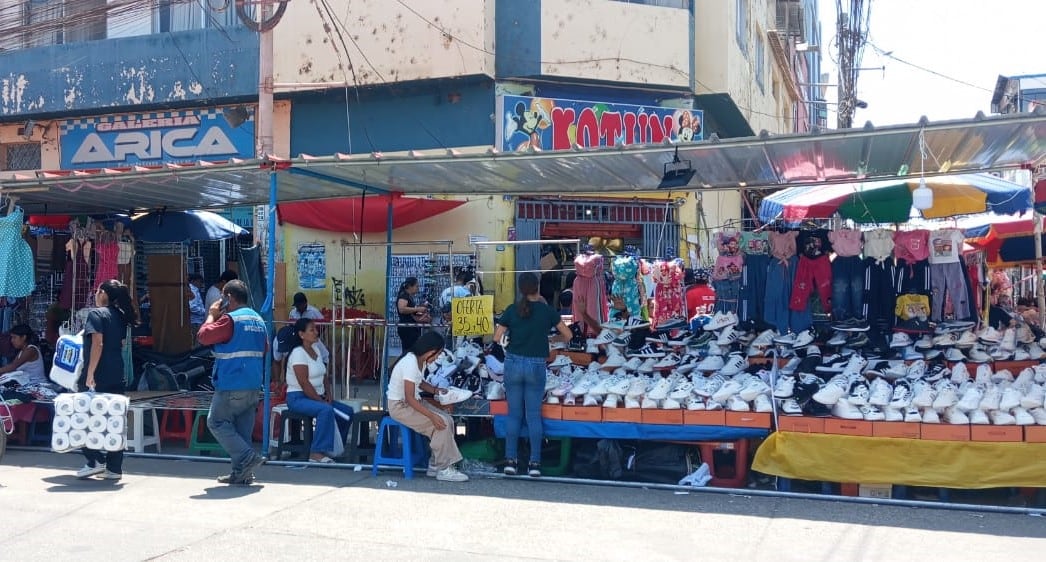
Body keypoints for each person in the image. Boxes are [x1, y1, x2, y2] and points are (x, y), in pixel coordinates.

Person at [494, 272, 572, 477]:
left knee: (514, 415)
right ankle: (535, 464)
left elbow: (496, 336)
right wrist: (549, 338)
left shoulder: (512, 310)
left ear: (520, 289)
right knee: (533, 416)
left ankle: (511, 461)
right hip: (537, 365)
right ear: (537, 287)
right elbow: (568, 334)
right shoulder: (547, 311)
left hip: (513, 364)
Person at [197, 279, 268, 485]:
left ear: (228, 298)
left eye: (222, 297)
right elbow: (264, 349)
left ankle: (247, 457)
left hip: (232, 382)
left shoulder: (230, 319)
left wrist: (211, 314)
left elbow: (203, 336)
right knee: (241, 431)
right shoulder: (258, 319)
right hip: (253, 383)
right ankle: (242, 474)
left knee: (216, 422)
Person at [75, 279, 138, 481]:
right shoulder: (120, 315)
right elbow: (118, 343)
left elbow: (97, 343)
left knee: (82, 417)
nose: (95, 294)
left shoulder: (96, 314)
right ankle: (114, 468)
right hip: (116, 372)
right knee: (114, 420)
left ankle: (94, 460)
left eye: (97, 291)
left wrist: (90, 373)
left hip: (99, 374)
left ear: (102, 293)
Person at [386, 331, 469, 482]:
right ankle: (444, 469)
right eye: (437, 355)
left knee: (448, 420)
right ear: (430, 352)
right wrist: (432, 415)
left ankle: (435, 464)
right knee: (440, 423)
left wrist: (436, 390)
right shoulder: (410, 362)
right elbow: (410, 398)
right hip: (400, 406)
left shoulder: (420, 360)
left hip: (411, 401)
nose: (437, 358)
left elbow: (420, 382)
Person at [284, 317, 354, 463]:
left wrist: (328, 394)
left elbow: (323, 375)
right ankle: (316, 452)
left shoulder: (316, 349)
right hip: (298, 398)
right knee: (325, 410)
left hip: (318, 395)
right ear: (301, 334)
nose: (316, 332)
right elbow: (304, 382)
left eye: (315, 329)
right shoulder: (298, 353)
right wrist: (320, 400)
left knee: (346, 413)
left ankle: (332, 448)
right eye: (312, 330)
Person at [396, 277, 429, 352]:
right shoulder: (404, 296)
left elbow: (411, 313)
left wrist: (421, 314)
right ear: (410, 286)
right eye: (416, 286)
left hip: (412, 328)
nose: (418, 288)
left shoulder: (409, 297)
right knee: (408, 352)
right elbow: (402, 309)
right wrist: (417, 309)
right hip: (407, 329)